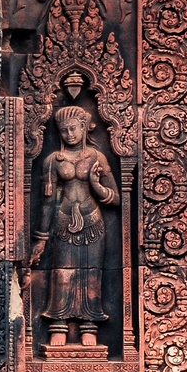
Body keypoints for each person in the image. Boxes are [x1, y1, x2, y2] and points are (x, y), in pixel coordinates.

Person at [31, 102, 119, 348]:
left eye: (73, 129)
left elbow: (116, 197)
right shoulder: (52, 161)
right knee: (62, 273)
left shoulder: (97, 157)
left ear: (83, 127)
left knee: (91, 274)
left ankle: (88, 326)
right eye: (64, 131)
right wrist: (40, 238)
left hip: (93, 221)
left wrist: (96, 184)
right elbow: (47, 203)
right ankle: (58, 324)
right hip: (63, 221)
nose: (69, 135)